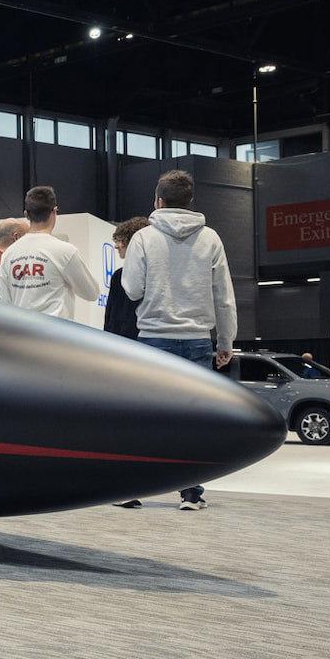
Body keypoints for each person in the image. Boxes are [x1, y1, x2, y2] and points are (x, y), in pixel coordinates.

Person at [120, 169, 237, 511]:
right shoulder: (210, 238)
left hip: (153, 340)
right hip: (197, 340)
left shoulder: (143, 238)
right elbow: (224, 296)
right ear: (190, 201)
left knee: (145, 418)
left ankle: (132, 489)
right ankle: (190, 494)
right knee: (193, 422)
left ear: (158, 201)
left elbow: (132, 289)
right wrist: (225, 341)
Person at [0, 186, 99, 318]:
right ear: (54, 212)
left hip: (20, 329)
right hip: (55, 330)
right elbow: (91, 293)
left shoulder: (9, 254)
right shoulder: (65, 251)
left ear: (26, 214)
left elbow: (3, 302)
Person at [103, 216, 149, 339]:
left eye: (121, 240)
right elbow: (110, 318)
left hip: (134, 341)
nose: (116, 246)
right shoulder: (118, 275)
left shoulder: (120, 276)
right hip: (133, 341)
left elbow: (111, 320)